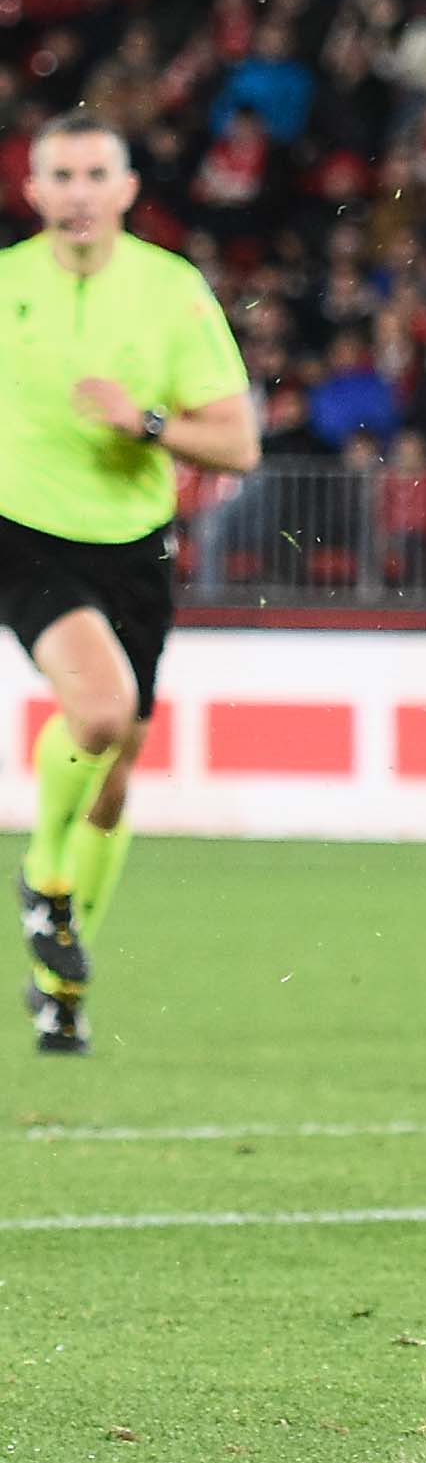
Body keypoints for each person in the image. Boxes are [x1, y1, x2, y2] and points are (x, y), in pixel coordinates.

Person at [5, 116, 260, 1054]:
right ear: (32, 191)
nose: (76, 191)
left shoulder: (171, 290)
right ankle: (43, 876)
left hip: (132, 540)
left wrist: (145, 421)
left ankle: (57, 981)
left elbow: (237, 443)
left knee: (115, 778)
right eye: (59, 174)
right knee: (102, 709)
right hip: (21, 530)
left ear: (126, 188)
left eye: (94, 174)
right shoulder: (5, 288)